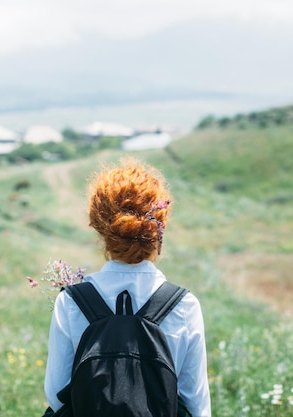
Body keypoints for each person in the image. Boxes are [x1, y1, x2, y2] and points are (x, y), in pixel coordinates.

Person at [44, 158, 212, 417]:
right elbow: (196, 406)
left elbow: (57, 396)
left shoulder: (71, 303)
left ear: (99, 226)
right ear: (159, 225)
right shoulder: (184, 306)